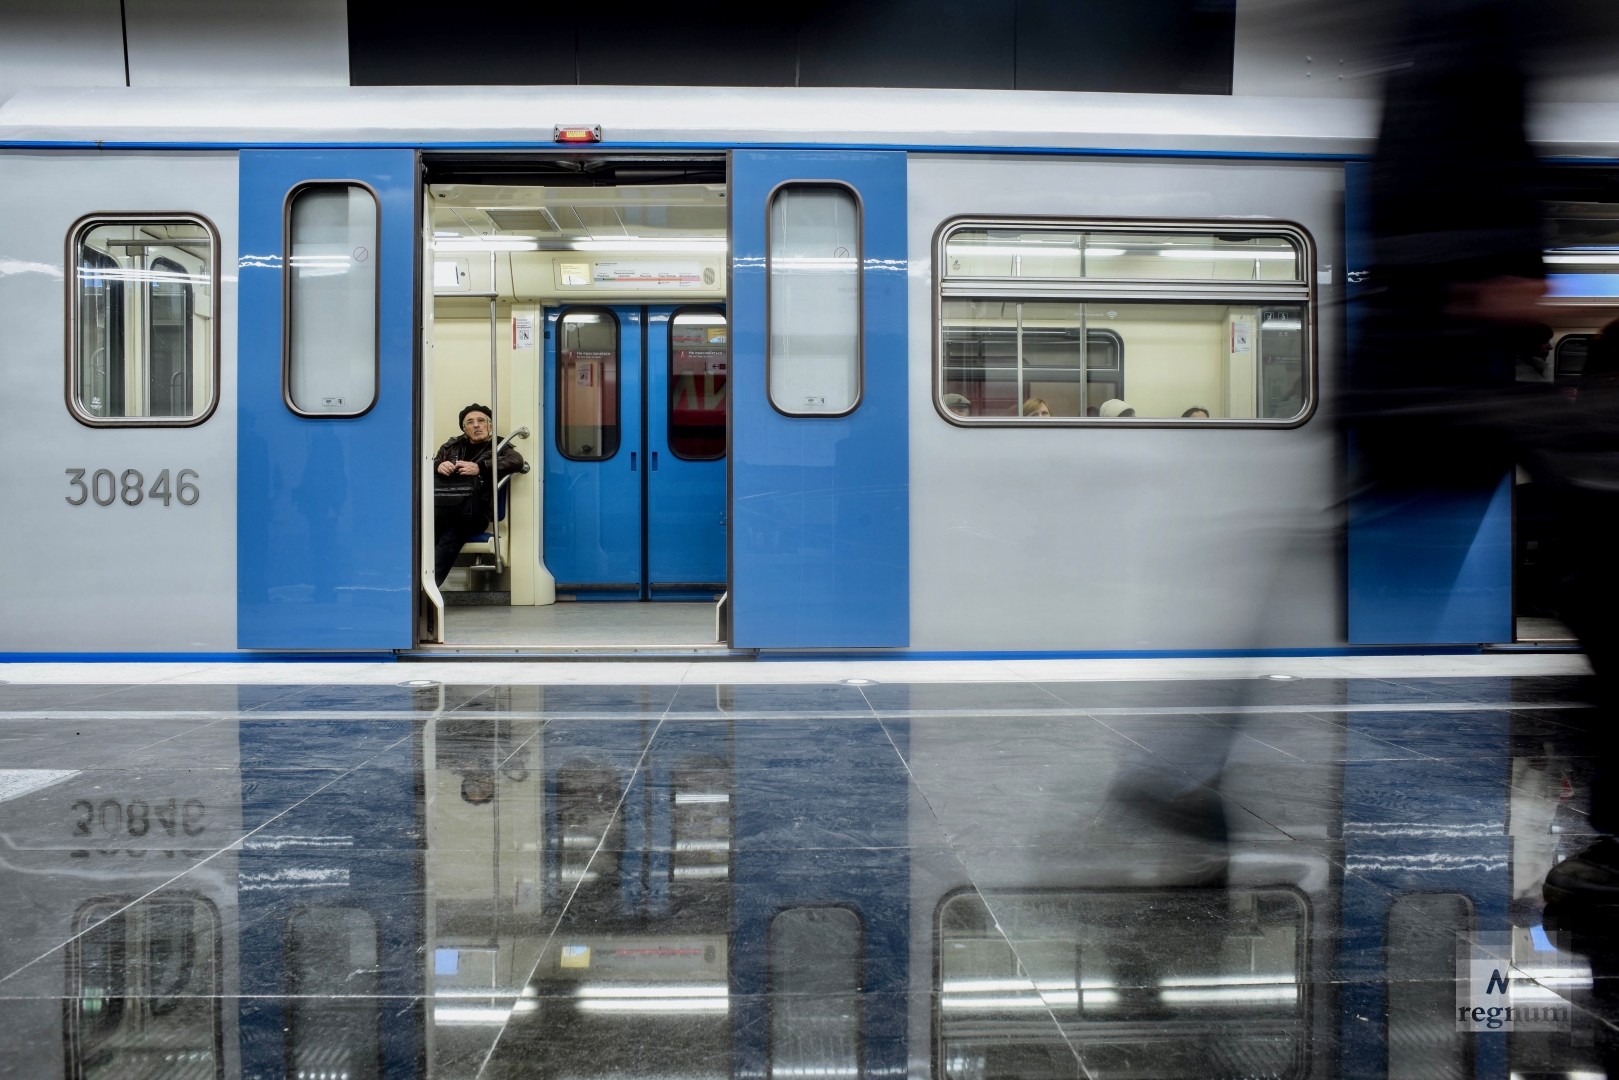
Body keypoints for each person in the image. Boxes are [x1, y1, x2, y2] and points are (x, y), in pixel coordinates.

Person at [433, 403, 525, 588]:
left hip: (474, 513)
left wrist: (481, 467)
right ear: (464, 429)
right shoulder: (451, 447)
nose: (476, 425)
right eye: (470, 422)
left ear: (490, 426)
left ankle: (427, 589)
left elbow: (516, 461)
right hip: (443, 509)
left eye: (481, 421)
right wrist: (438, 466)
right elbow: (430, 462)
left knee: (451, 533)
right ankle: (409, 587)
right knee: (420, 533)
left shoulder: (500, 446)